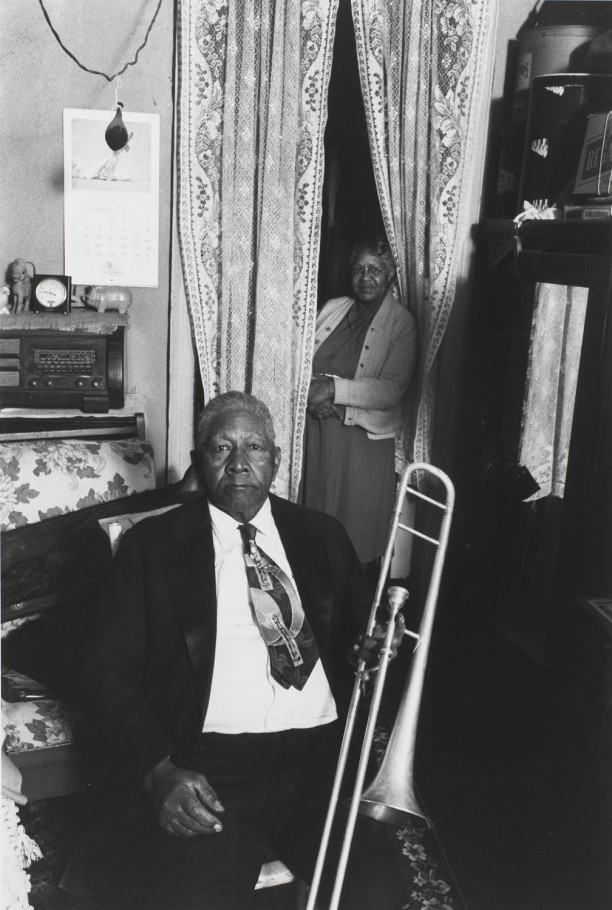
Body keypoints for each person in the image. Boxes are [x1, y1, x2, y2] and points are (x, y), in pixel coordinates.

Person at [82, 391, 407, 910]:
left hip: (323, 761)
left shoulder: (322, 534)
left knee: (379, 894)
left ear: (276, 460)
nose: (238, 464)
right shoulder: (151, 547)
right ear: (197, 461)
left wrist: (372, 646)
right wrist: (157, 769)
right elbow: (107, 668)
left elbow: (360, 635)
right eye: (220, 449)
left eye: (254, 447)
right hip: (214, 769)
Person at [300, 236, 417, 568]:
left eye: (375, 270)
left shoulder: (402, 323)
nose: (366, 277)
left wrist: (334, 393)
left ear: (390, 275)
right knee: (313, 525)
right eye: (359, 269)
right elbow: (299, 360)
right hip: (316, 434)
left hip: (360, 446)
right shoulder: (333, 307)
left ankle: (351, 608)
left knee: (354, 536)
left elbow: (390, 388)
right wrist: (313, 395)